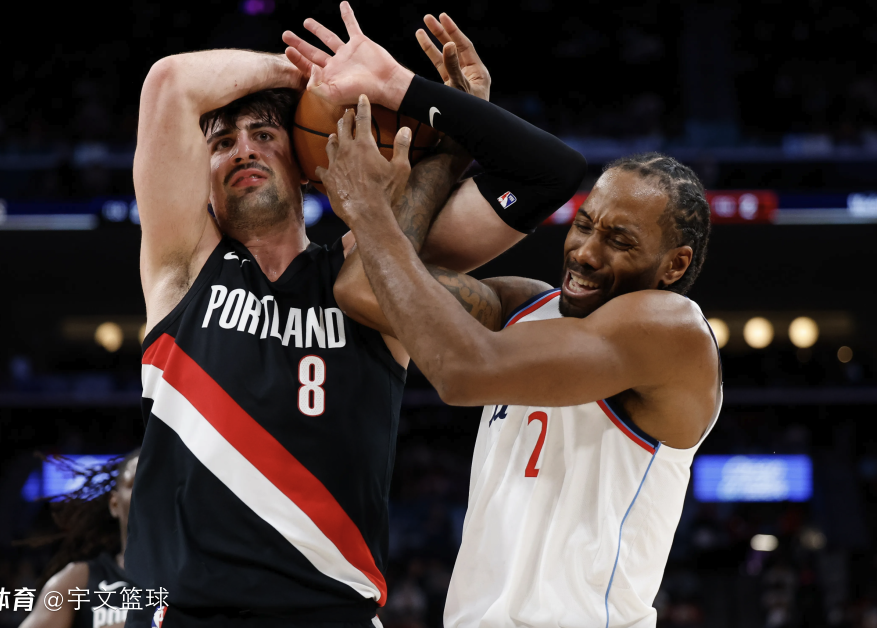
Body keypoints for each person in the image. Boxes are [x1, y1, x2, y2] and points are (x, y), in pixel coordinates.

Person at [128, 2, 584, 628]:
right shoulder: (183, 268)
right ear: (200, 176)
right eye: (222, 143)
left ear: (303, 162)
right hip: (188, 615)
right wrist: (317, 78)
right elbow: (169, 83)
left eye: (265, 135)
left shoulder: (376, 267)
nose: (243, 151)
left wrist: (417, 95)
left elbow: (550, 174)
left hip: (332, 613)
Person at [306, 35, 721, 627]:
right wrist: (451, 144)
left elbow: (461, 372)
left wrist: (372, 211)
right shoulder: (525, 306)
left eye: (619, 240)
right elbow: (364, 288)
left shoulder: (672, 328)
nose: (586, 252)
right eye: (584, 225)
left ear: (674, 266)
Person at [21, 450, 140, 628]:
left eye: (157, 484)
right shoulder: (79, 580)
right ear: (114, 503)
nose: (147, 492)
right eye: (136, 483)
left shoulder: (185, 578)